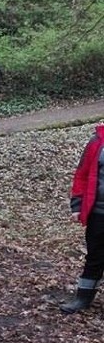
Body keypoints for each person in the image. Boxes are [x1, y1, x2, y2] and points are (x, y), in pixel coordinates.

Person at [60, 122, 104, 313]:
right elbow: (82, 174)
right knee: (94, 257)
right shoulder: (96, 142)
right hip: (98, 213)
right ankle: (82, 298)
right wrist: (76, 205)